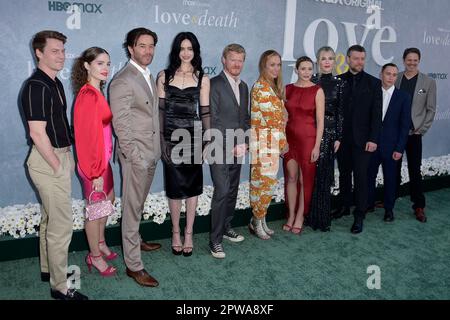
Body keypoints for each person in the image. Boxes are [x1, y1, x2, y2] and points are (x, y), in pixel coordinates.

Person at [21, 30, 88, 300]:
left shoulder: (55, 83)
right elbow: (38, 134)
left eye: (62, 50)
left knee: (51, 219)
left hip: (60, 156)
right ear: (39, 53)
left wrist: (67, 158)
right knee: (61, 226)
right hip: (48, 160)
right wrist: (58, 166)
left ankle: (48, 270)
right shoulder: (35, 86)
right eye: (54, 51)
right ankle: (61, 288)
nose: (61, 56)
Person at [109, 27, 161, 287]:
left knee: (138, 204)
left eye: (151, 45)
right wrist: (136, 157)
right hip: (136, 157)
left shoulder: (146, 75)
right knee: (131, 209)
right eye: (142, 45)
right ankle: (134, 265)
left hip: (150, 154)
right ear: (130, 48)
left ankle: (138, 241)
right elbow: (122, 127)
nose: (148, 50)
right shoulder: (122, 80)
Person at [156, 32, 210, 257]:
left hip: (194, 138)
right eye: (182, 48)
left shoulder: (202, 78)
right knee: (175, 188)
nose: (186, 53)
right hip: (170, 138)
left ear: (195, 51)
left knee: (192, 188)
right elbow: (159, 111)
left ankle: (189, 233)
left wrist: (208, 140)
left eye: (190, 48)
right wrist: (161, 141)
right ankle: (175, 231)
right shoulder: (164, 76)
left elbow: (205, 111)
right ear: (176, 51)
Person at [72, 47, 117, 277]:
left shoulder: (98, 90)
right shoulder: (87, 95)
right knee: (96, 211)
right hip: (93, 166)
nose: (105, 68)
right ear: (87, 65)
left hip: (103, 161)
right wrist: (95, 172)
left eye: (108, 63)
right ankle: (94, 256)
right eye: (100, 63)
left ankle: (100, 242)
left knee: (107, 202)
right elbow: (87, 138)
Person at [333, 45, 382, 234]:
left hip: (364, 141)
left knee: (361, 178)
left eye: (362, 59)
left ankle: (359, 215)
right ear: (347, 59)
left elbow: (377, 115)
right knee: (344, 174)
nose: (359, 62)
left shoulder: (373, 83)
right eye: (356, 58)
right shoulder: (339, 81)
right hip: (342, 140)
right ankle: (344, 207)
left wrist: (373, 138)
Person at [208, 44, 250, 259]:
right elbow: (213, 120)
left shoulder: (243, 86)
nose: (236, 64)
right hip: (218, 147)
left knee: (232, 189)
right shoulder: (213, 84)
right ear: (223, 59)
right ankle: (214, 240)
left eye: (240, 60)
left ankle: (226, 228)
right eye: (232, 59)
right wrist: (231, 144)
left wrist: (244, 142)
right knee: (222, 191)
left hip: (238, 147)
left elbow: (245, 118)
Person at [249, 50, 288, 240]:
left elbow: (281, 118)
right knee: (262, 184)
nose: (275, 68)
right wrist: (283, 142)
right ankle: (256, 221)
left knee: (268, 184)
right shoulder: (261, 87)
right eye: (271, 64)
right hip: (264, 144)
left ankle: (260, 218)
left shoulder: (274, 87)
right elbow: (273, 119)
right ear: (263, 66)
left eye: (278, 64)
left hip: (271, 143)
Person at [283, 56, 325, 234]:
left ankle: (301, 216)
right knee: (291, 178)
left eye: (310, 69)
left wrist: (317, 147)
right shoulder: (287, 89)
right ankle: (290, 215)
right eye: (303, 69)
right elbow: (283, 118)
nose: (307, 72)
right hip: (289, 139)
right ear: (296, 70)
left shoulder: (317, 90)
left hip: (308, 140)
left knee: (304, 180)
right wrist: (282, 141)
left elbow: (320, 121)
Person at [395, 48, 437, 223]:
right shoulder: (396, 78)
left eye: (415, 60)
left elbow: (431, 109)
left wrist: (422, 129)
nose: (411, 63)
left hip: (414, 134)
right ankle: (390, 199)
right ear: (403, 60)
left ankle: (418, 205)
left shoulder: (428, 82)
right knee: (393, 168)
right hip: (396, 133)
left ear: (419, 61)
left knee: (414, 170)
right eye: (409, 60)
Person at [367, 63, 411, 222]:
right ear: (381, 74)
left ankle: (389, 209)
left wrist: (400, 148)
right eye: (388, 74)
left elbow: (405, 125)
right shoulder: (372, 93)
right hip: (372, 144)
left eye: (394, 74)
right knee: (368, 176)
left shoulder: (403, 97)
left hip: (392, 147)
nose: (391, 77)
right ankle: (368, 204)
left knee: (391, 178)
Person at [306, 47, 344, 232]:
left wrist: (338, 136)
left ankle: (322, 218)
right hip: (311, 133)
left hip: (329, 136)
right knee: (310, 175)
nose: (327, 61)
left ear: (334, 62)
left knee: (324, 175)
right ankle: (309, 215)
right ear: (317, 61)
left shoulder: (340, 84)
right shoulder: (311, 81)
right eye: (323, 58)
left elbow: (341, 113)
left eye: (330, 58)